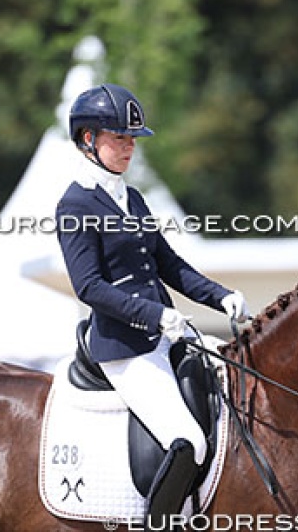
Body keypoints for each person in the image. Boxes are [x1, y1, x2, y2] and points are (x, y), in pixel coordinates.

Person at [56, 83, 250, 526]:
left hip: (164, 337)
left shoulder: (133, 198)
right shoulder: (74, 204)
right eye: (119, 138)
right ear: (89, 139)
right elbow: (88, 287)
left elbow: (169, 265)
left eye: (131, 139)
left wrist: (221, 297)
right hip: (122, 347)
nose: (128, 148)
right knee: (187, 441)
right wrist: (156, 315)